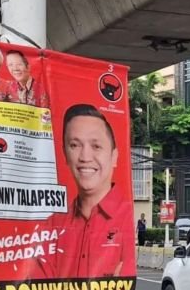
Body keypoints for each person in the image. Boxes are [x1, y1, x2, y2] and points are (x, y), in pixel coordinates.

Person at [42, 104, 134, 279]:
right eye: (75, 145)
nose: (85, 157)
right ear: (65, 154)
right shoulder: (53, 224)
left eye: (96, 146)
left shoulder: (126, 217)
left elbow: (125, 282)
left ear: (114, 157)